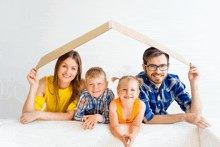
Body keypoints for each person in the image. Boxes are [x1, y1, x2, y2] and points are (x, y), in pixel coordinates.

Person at [136, 47, 210, 129]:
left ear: (168, 66)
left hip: (163, 128)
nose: (158, 71)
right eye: (152, 66)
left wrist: (194, 83)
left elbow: (195, 114)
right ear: (144, 67)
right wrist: (184, 117)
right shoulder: (137, 83)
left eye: (162, 66)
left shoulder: (173, 82)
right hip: (141, 129)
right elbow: (148, 119)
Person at [20, 50, 83, 124]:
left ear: (77, 72)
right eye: (64, 66)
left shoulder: (80, 85)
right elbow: (27, 114)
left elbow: (70, 116)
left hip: (69, 127)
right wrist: (33, 87)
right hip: (48, 125)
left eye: (73, 68)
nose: (67, 72)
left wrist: (39, 114)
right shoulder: (45, 83)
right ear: (58, 66)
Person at [109, 76, 145, 147]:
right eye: (124, 89)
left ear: (138, 92)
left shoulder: (141, 106)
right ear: (118, 91)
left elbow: (136, 125)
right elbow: (114, 126)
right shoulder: (114, 105)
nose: (128, 92)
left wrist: (132, 135)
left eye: (132, 90)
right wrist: (121, 136)